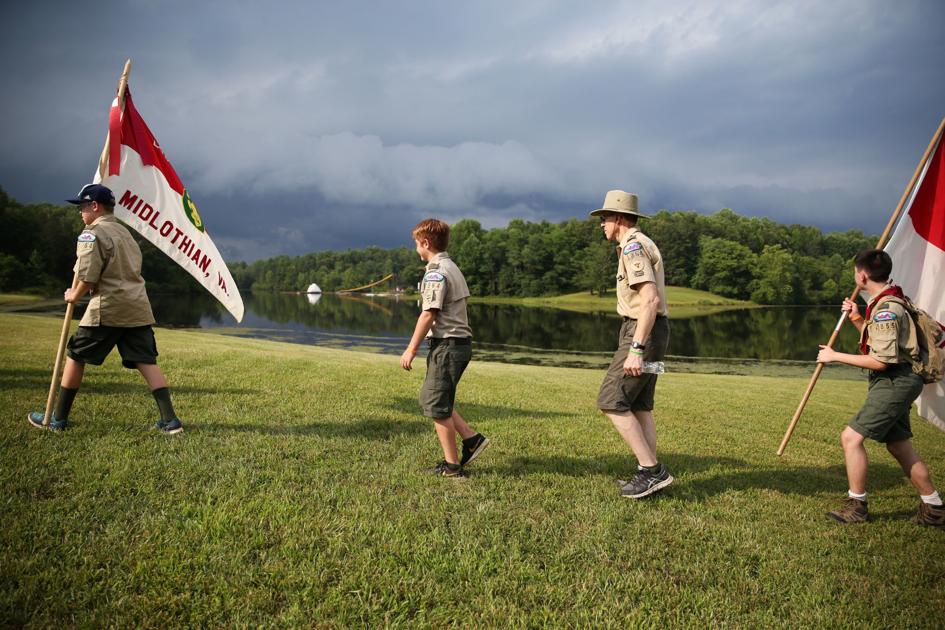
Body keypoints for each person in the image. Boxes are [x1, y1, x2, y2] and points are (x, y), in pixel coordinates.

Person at [28, 183, 183, 435]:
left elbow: (88, 275)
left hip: (108, 307)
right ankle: (171, 421)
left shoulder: (91, 234)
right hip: (137, 307)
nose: (80, 211)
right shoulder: (126, 234)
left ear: (95, 206)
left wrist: (73, 296)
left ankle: (57, 419)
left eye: (82, 206)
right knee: (146, 361)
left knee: (76, 356)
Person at [817, 249, 943, 527]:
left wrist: (834, 355)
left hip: (895, 381)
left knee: (851, 438)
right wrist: (856, 318)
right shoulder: (888, 301)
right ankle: (934, 508)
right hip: (898, 379)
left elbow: (881, 361)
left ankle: (857, 506)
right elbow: (881, 342)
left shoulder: (887, 308)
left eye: (855, 273)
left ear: (862, 275)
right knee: (899, 446)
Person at [589, 190, 672, 499]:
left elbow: (650, 299)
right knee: (639, 405)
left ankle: (652, 471)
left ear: (620, 219)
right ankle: (647, 473)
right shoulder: (635, 244)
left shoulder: (633, 247)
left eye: (605, 218)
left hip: (643, 330)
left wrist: (636, 348)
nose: (602, 224)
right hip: (651, 330)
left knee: (611, 400)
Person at [400, 218, 489, 478]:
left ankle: (452, 467)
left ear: (425, 243)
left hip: (448, 346)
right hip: (456, 345)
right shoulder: (452, 266)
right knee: (439, 399)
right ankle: (472, 439)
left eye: (417, 244)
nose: (416, 248)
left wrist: (410, 349)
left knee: (435, 403)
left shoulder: (436, 271)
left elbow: (428, 314)